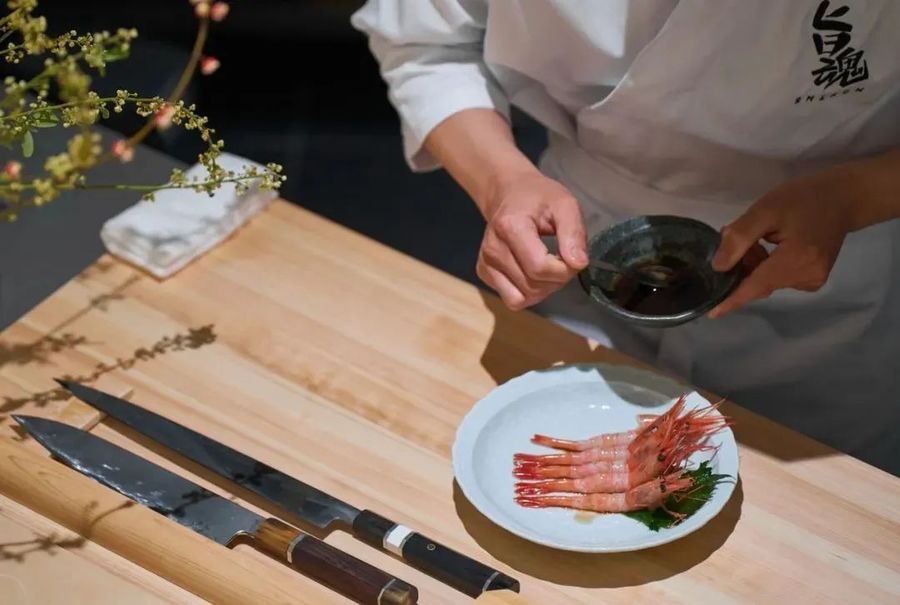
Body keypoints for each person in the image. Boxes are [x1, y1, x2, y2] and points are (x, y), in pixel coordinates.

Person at [351, 1, 900, 476]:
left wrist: (852, 198)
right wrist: (504, 182)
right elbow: (427, 44)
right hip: (584, 244)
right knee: (553, 464)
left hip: (829, 285)